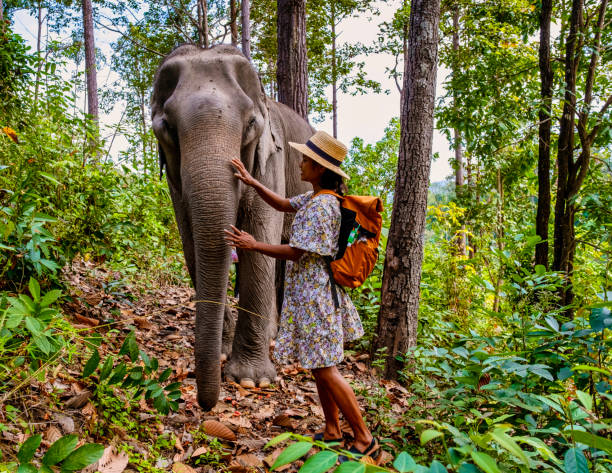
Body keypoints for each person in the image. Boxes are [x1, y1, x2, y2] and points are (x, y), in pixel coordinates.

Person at [224, 130, 380, 462]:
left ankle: (365, 438)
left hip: (318, 298)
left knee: (327, 369)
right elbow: (282, 203)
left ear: (321, 169)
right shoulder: (312, 198)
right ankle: (333, 429)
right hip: (308, 297)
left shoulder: (324, 206)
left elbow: (297, 252)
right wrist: (252, 182)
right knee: (318, 366)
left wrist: (254, 245)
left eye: (307, 160)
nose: (301, 163)